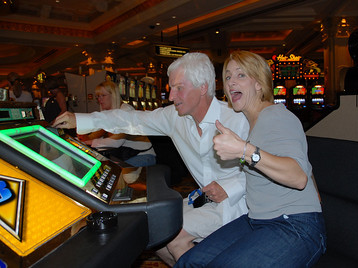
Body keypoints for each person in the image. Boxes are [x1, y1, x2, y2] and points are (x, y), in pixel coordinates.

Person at [52, 52, 249, 266]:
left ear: (202, 87)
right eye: (170, 88)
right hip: (204, 199)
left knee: (174, 238)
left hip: (239, 202)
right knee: (154, 228)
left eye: (179, 88)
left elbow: (265, 167)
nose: (171, 96)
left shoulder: (237, 117)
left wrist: (229, 187)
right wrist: (79, 118)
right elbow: (131, 119)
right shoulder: (175, 117)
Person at [175, 51, 326, 267]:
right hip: (257, 220)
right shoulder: (252, 123)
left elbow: (298, 177)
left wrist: (244, 151)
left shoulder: (277, 116)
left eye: (241, 75)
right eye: (227, 77)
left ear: (259, 84)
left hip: (294, 226)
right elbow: (304, 167)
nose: (231, 82)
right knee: (189, 262)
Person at [77, 80, 156, 167]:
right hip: (127, 154)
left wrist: (90, 141)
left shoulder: (125, 110)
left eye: (103, 95)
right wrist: (83, 139)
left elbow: (117, 141)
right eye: (98, 97)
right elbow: (100, 130)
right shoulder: (109, 112)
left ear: (113, 95)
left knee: (119, 175)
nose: (99, 100)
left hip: (143, 155)